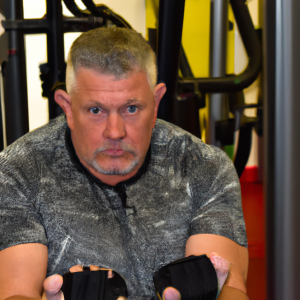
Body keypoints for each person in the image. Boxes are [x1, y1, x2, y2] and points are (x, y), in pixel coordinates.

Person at [0, 27, 249, 300]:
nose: (115, 132)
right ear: (68, 109)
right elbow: (17, 292)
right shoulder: (18, 172)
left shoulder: (204, 167)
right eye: (96, 110)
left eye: (131, 108)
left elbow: (228, 287)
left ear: (155, 103)